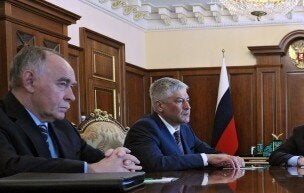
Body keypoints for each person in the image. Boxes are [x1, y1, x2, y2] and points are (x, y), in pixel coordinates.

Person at [0, 46, 141, 178]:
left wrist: (118, 160)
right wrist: (89, 170)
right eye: (62, 84)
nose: (71, 96)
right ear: (30, 81)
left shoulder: (63, 126)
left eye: (71, 86)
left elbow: (95, 159)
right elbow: (8, 166)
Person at [124, 77, 244, 172]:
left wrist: (229, 158)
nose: (188, 106)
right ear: (160, 106)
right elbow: (156, 163)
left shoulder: (184, 128)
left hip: (183, 191)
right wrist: (206, 158)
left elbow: (203, 149)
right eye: (180, 101)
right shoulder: (144, 128)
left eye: (187, 100)